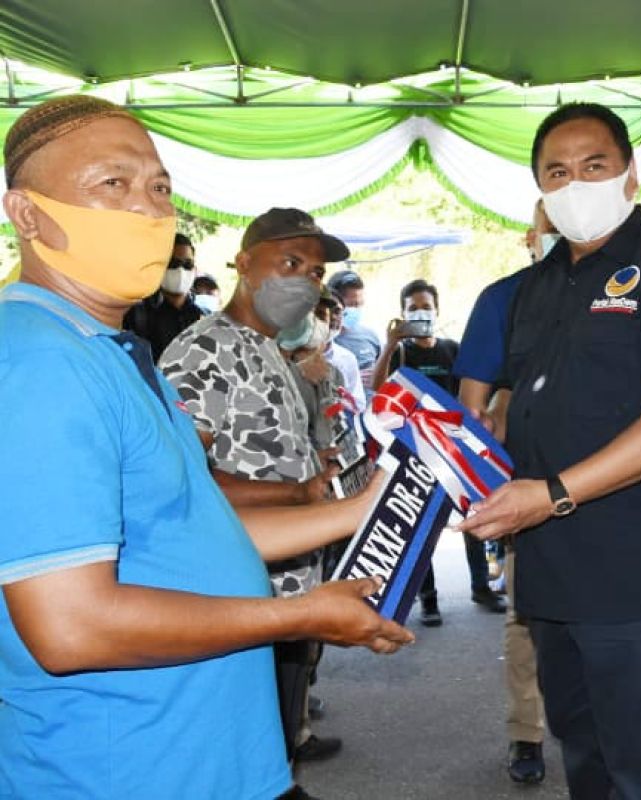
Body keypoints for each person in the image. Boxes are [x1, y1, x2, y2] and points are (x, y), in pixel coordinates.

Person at [0, 94, 411, 800]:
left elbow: (197, 524)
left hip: (212, 759)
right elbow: (71, 626)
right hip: (123, 770)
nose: (149, 209)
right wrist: (298, 614)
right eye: (112, 184)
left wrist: (372, 505)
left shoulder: (111, 350)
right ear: (28, 213)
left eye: (159, 186)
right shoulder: (36, 361)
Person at [459, 102, 641, 800]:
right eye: (558, 172)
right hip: (550, 565)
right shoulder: (541, 286)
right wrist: (455, 447)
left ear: (630, 174)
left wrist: (552, 492)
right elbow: (523, 403)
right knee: (582, 752)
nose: (576, 183)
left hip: (637, 572)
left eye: (594, 166)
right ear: (543, 195)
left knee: (640, 767)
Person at [160, 207, 353, 771]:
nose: (305, 281)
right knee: (240, 762)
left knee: (276, 751)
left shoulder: (270, 348)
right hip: (240, 599)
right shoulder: (204, 351)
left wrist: (314, 468)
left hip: (289, 593)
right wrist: (298, 496)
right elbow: (181, 482)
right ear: (244, 264)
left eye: (315, 273)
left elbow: (261, 456)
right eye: (290, 262)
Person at [453, 199, 559, 785]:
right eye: (553, 221)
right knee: (528, 616)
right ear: (531, 235)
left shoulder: (632, 290)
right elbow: (472, 410)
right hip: (526, 489)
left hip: (616, 485)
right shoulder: (503, 299)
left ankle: (592, 721)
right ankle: (527, 732)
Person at [375, 279, 508, 623]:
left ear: (438, 310)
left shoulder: (453, 350)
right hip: (417, 450)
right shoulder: (402, 353)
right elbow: (378, 393)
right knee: (424, 526)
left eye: (426, 306)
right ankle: (428, 598)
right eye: (413, 308)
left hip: (454, 447)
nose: (421, 313)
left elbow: (476, 391)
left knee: (474, 515)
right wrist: (389, 347)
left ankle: (482, 586)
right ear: (402, 314)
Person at [122, 231, 205, 360]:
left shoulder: (201, 318)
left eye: (188, 265)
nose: (181, 270)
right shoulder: (137, 315)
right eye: (173, 264)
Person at [327, 269, 382, 390]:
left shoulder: (371, 337)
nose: (356, 310)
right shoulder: (320, 340)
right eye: (352, 305)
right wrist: (352, 380)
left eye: (360, 304)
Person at [319, 290, 367, 411]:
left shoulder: (347, 358)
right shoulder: (294, 355)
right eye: (324, 312)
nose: (332, 317)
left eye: (337, 311)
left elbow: (358, 405)